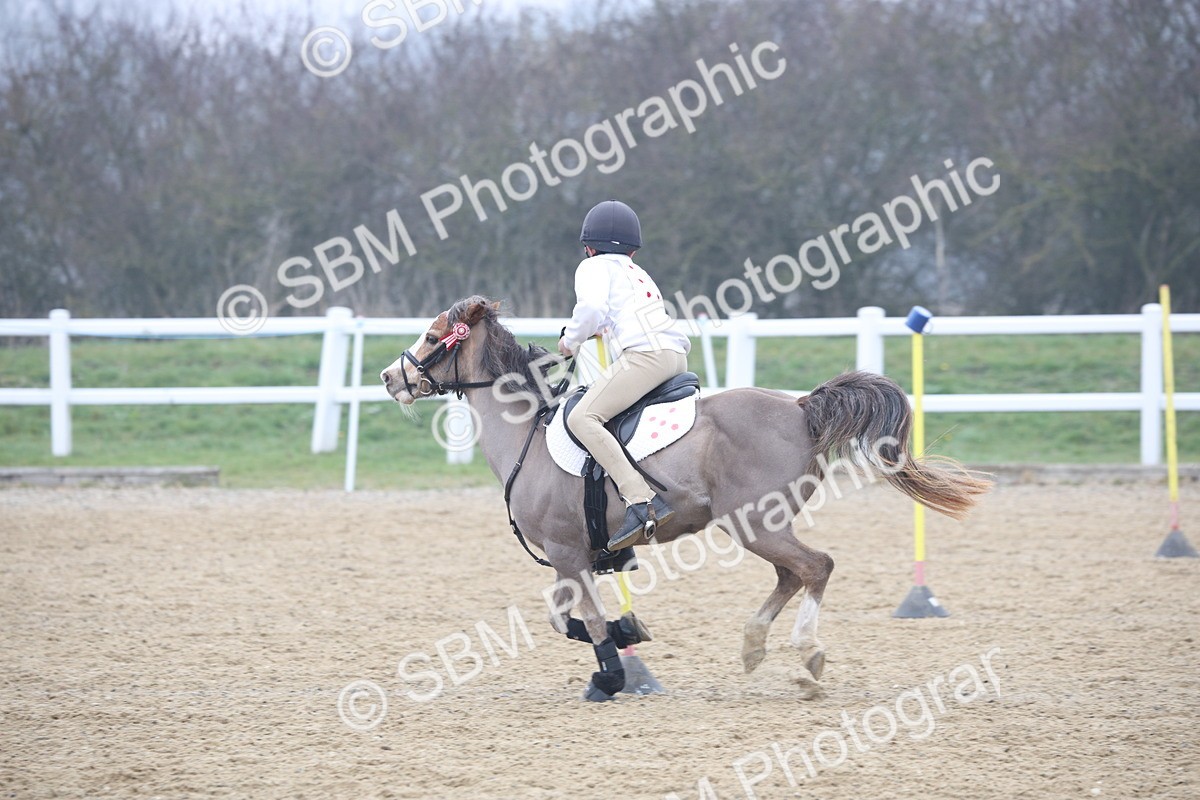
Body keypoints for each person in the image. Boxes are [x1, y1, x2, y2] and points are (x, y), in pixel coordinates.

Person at [558, 200, 691, 551]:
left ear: (589, 246)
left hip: (646, 357)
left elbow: (590, 308)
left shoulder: (592, 267)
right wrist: (600, 330)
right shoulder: (636, 272)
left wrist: (570, 341)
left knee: (582, 418)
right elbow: (612, 314)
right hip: (674, 356)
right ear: (633, 248)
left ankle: (638, 500)